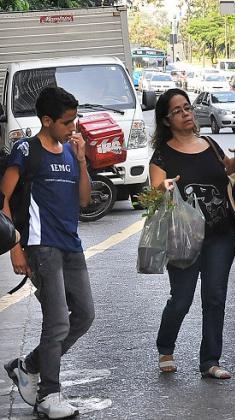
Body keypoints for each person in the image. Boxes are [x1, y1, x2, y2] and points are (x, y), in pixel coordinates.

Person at [2, 86, 95, 419]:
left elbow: (84, 200)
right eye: (68, 122)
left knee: (84, 315)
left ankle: (28, 365)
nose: (74, 128)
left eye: (75, 120)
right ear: (47, 120)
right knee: (57, 322)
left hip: (71, 245)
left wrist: (82, 161)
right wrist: (15, 248)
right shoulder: (26, 151)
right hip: (41, 246)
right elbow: (3, 201)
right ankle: (48, 396)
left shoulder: (71, 152)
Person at [148, 88, 235, 379]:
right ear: (167, 120)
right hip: (183, 237)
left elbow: (229, 171)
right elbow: (156, 187)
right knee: (181, 298)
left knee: (215, 297)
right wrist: (165, 187)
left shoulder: (210, 144)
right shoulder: (163, 155)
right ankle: (166, 348)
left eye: (188, 108)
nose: (186, 114)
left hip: (220, 234)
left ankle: (210, 361)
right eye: (178, 111)